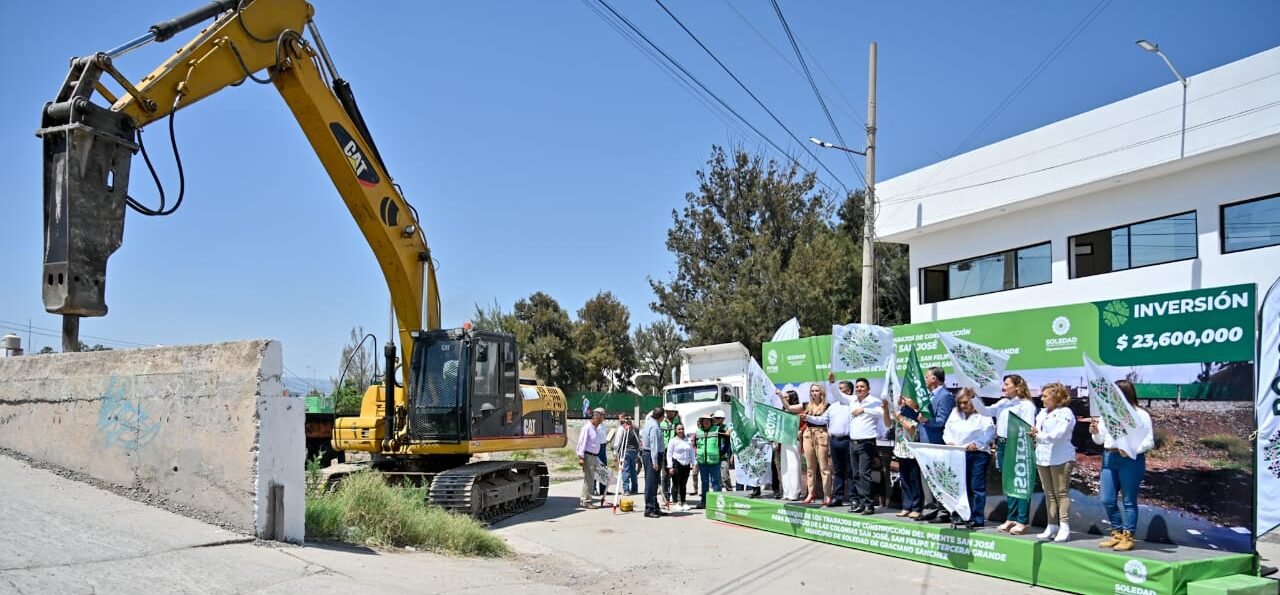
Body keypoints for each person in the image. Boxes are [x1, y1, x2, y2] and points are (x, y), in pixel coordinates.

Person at [1091, 379, 1155, 552]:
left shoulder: (1140, 414)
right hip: (1109, 457)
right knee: (1107, 499)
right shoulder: (1107, 413)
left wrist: (1131, 450)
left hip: (1131, 460)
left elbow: (1149, 441)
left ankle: (1129, 536)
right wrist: (1095, 432)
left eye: (1114, 393)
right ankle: (1117, 532)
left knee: (1128, 500)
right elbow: (1100, 440)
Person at [973, 375, 1039, 534]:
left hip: (1016, 443)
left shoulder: (1026, 405)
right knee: (1008, 483)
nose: (1004, 387)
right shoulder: (1003, 403)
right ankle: (1011, 517)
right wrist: (973, 397)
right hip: (1002, 444)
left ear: (1017, 387)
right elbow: (985, 411)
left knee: (1020, 482)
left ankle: (1022, 520)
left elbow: (1028, 427)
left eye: (1007, 384)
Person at [1030, 383, 1077, 542]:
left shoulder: (1065, 412)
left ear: (1056, 397)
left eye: (1045, 396)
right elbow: (1038, 432)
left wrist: (1039, 435)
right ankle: (1052, 526)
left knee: (1061, 493)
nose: (1042, 398)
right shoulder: (1042, 413)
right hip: (1043, 457)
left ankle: (1064, 527)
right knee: (1049, 493)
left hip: (1061, 457)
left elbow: (1058, 434)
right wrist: (1035, 433)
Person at [944, 389, 996, 529]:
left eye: (966, 402)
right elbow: (947, 430)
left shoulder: (982, 413)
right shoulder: (954, 413)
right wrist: (949, 442)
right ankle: (961, 515)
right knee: (960, 486)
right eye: (960, 403)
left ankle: (976, 518)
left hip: (977, 453)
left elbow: (990, 432)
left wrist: (977, 444)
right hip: (958, 453)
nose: (962, 405)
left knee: (976, 486)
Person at [919, 367, 956, 523]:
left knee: (939, 478)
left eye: (927, 377)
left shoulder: (945, 396)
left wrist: (927, 421)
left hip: (936, 443)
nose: (925, 379)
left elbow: (943, 420)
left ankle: (943, 511)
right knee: (926, 477)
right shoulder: (928, 395)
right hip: (924, 443)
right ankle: (930, 508)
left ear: (934, 378)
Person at [787, 384, 833, 505]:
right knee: (810, 468)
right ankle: (811, 493)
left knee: (824, 467)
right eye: (812, 391)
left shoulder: (827, 406)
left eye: (816, 391)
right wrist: (781, 396)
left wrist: (807, 417)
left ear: (821, 393)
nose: (814, 393)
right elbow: (789, 407)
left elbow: (825, 421)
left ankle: (827, 495)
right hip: (808, 434)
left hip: (821, 434)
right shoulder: (806, 405)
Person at [884, 389, 924, 519]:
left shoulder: (915, 413)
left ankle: (917, 507)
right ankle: (906, 506)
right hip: (901, 450)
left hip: (912, 451)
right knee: (904, 481)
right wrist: (885, 410)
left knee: (914, 480)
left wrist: (900, 418)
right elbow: (888, 424)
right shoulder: (900, 411)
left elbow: (912, 430)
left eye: (905, 398)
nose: (902, 400)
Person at [847, 378, 883, 515]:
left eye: (862, 386)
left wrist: (864, 410)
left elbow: (881, 412)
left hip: (866, 443)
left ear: (868, 388)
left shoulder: (874, 401)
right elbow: (838, 395)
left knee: (864, 474)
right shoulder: (853, 400)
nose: (859, 389)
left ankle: (869, 504)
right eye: (857, 387)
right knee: (856, 474)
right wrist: (832, 383)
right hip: (853, 443)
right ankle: (862, 502)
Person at [824, 374, 854, 507]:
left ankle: (853, 498)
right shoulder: (833, 406)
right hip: (835, 441)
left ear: (849, 391)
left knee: (851, 471)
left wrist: (832, 383)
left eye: (841, 389)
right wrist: (808, 418)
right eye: (838, 388)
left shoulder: (852, 404)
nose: (838, 391)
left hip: (848, 441)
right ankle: (838, 497)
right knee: (838, 471)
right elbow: (822, 419)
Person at [576, 407, 607, 508]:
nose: (603, 418)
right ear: (597, 416)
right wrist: (581, 457)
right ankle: (586, 501)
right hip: (588, 456)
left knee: (592, 478)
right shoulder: (587, 428)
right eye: (602, 416)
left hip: (594, 456)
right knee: (589, 479)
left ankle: (586, 499)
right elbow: (582, 443)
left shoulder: (596, 429)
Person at [777, 390, 805, 501]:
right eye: (784, 397)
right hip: (784, 440)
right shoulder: (783, 411)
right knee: (785, 467)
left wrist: (801, 431)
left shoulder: (798, 409)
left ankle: (795, 492)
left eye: (787, 397)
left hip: (794, 440)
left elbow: (805, 423)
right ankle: (786, 492)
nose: (785, 399)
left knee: (794, 466)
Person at [640, 407, 667, 518]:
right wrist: (655, 461)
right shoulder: (654, 427)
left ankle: (655, 506)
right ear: (661, 416)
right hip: (652, 455)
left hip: (649, 454)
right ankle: (649, 508)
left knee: (655, 482)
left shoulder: (649, 423)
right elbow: (653, 444)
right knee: (651, 483)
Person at [692, 414, 722, 509]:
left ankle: (718, 503)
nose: (706, 422)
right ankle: (704, 502)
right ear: (701, 422)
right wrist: (696, 454)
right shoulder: (698, 432)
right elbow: (694, 445)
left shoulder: (717, 430)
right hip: (702, 462)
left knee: (715, 482)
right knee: (704, 482)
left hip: (714, 461)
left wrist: (722, 453)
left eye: (708, 420)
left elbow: (726, 442)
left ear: (711, 421)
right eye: (704, 420)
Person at [666, 423, 695, 511]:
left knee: (683, 484)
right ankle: (675, 503)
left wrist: (694, 464)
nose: (681, 431)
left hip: (686, 464)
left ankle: (683, 502)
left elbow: (691, 452)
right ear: (675, 430)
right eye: (679, 429)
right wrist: (670, 467)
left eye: (682, 429)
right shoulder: (673, 441)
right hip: (676, 463)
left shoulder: (688, 440)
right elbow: (669, 454)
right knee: (676, 484)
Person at [614, 414, 641, 496]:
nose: (619, 420)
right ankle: (634, 488)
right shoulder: (635, 428)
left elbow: (618, 441)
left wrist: (616, 452)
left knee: (625, 470)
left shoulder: (622, 428)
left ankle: (626, 489)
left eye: (620, 418)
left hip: (625, 450)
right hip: (634, 451)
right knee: (633, 470)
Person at [660, 406, 681, 499]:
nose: (670, 413)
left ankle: (676, 495)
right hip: (664, 450)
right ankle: (666, 496)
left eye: (672, 411)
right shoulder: (661, 422)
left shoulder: (678, 422)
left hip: (675, 451)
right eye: (668, 411)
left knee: (676, 474)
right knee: (665, 475)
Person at [712, 410, 733, 491]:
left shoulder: (726, 427)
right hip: (715, 454)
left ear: (723, 419)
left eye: (718, 418)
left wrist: (719, 433)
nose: (716, 420)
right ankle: (719, 492)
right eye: (715, 418)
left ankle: (729, 490)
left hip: (724, 455)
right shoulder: (713, 428)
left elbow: (728, 434)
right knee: (717, 477)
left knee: (725, 475)